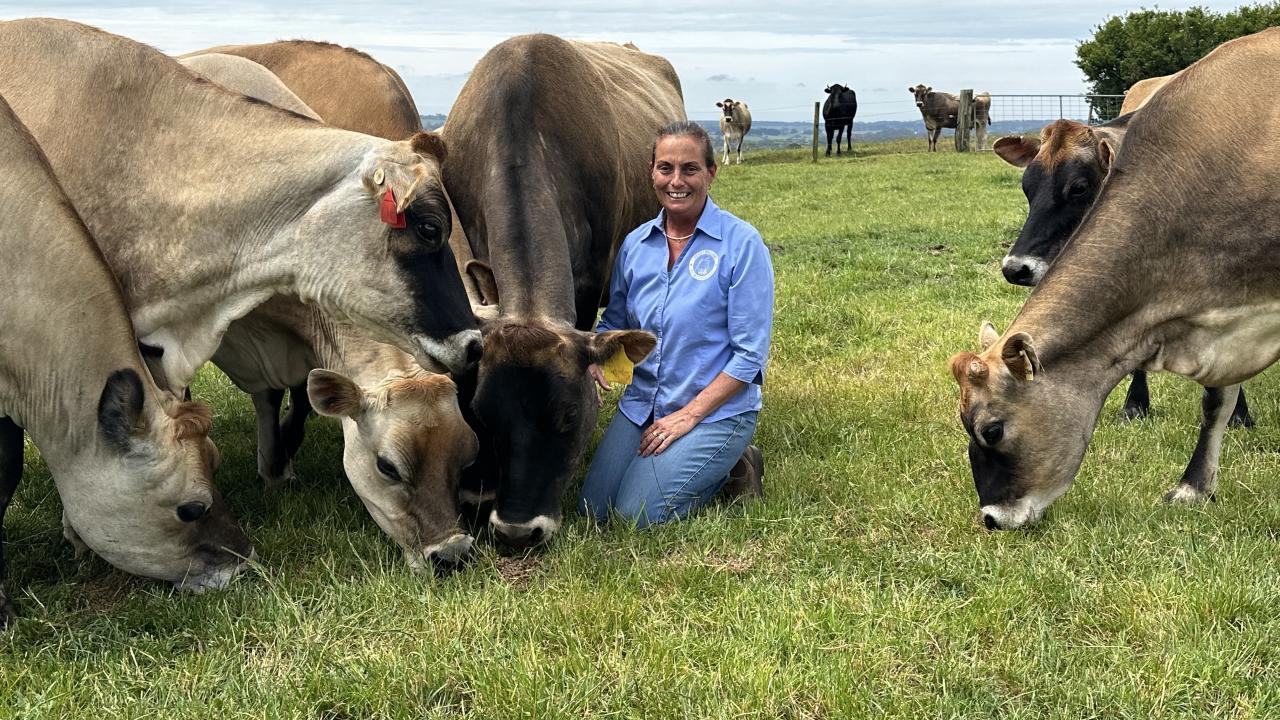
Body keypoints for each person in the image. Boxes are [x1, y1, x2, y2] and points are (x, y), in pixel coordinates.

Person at [579, 120, 774, 528]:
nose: (676, 181)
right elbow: (617, 321)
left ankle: (735, 468)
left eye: (690, 169)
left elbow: (749, 356)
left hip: (715, 411)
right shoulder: (636, 245)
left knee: (636, 516)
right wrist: (593, 356)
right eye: (665, 168)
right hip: (642, 406)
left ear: (711, 173)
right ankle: (678, 466)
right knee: (592, 512)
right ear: (651, 172)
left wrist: (689, 416)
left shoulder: (741, 244)